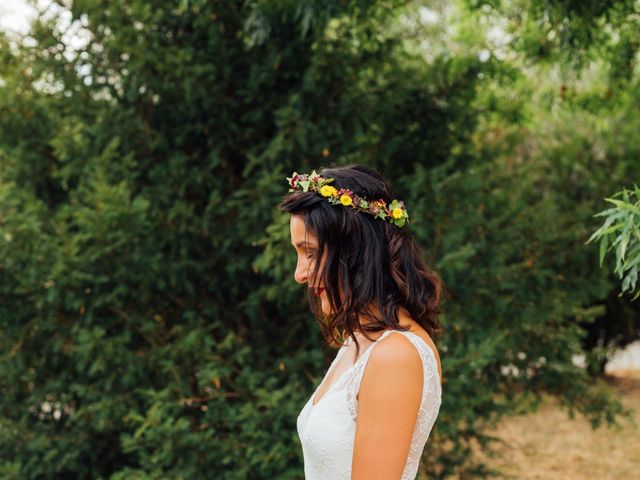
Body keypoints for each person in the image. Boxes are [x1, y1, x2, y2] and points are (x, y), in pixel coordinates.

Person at [280, 164, 444, 480]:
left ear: (355, 250)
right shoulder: (359, 340)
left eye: (310, 252)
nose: (299, 273)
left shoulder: (395, 356)